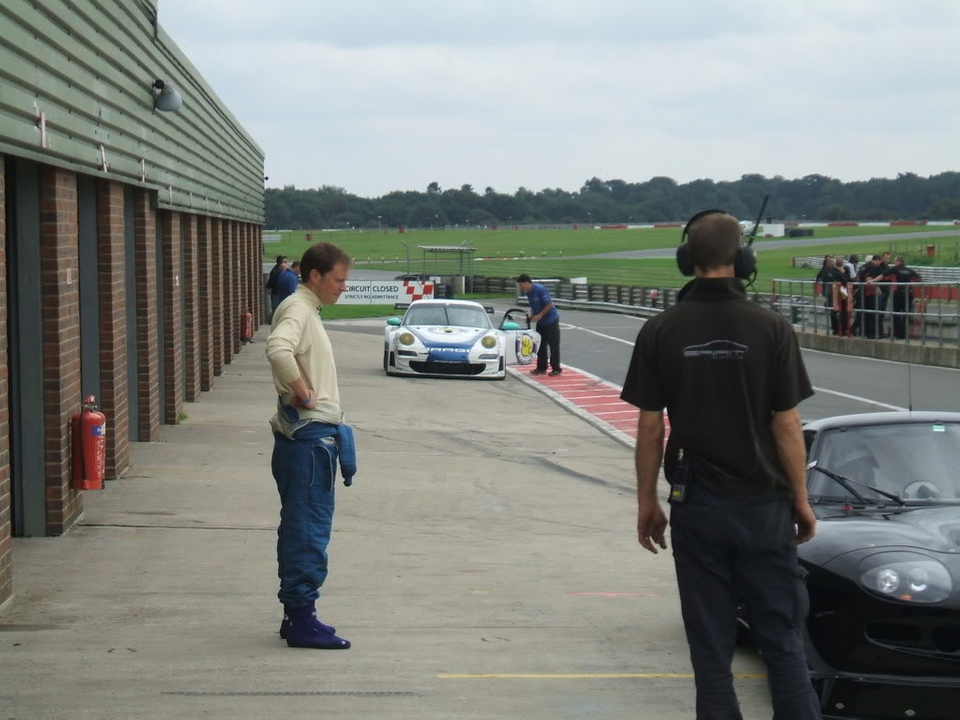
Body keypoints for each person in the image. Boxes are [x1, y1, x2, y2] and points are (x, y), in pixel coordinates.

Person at [621, 211, 821, 720]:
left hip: (698, 505)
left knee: (710, 647)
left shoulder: (660, 329)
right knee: (782, 640)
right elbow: (787, 427)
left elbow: (650, 428)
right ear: (743, 260)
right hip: (763, 505)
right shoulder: (772, 328)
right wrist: (800, 500)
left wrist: (647, 502)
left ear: (688, 260)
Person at [265, 242, 356, 650]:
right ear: (315, 276)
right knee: (308, 530)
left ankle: (296, 615)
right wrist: (303, 391)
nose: (343, 288)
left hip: (308, 441)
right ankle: (302, 619)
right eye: (338, 280)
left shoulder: (304, 309)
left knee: (302, 527)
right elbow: (278, 349)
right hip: (308, 444)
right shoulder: (299, 309)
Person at [516, 273, 562, 376]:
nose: (521, 287)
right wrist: (532, 316)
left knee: (553, 345)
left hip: (551, 321)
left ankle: (556, 368)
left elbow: (549, 304)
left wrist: (540, 315)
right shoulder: (529, 293)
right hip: (541, 322)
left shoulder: (540, 290)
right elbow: (534, 306)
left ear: (527, 283)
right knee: (540, 345)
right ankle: (541, 368)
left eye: (522, 285)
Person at [885, 256, 921, 339]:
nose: (894, 263)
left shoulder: (894, 269)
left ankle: (897, 334)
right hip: (908, 294)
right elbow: (918, 279)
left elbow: (886, 277)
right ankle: (904, 334)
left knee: (896, 314)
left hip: (897, 293)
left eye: (895, 261)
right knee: (905, 314)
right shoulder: (909, 270)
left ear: (898, 261)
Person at [815, 255, 847, 336]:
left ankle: (838, 329)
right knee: (834, 311)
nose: (832, 262)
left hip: (836, 293)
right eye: (830, 261)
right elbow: (819, 281)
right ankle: (836, 329)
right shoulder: (824, 271)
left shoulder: (833, 270)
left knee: (836, 311)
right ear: (826, 262)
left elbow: (843, 279)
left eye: (832, 261)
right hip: (830, 294)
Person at [265, 254, 288, 321]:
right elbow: (272, 282)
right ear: (280, 263)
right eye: (285, 262)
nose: (286, 264)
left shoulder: (277, 271)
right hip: (276, 293)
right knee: (277, 309)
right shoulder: (277, 272)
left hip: (277, 293)